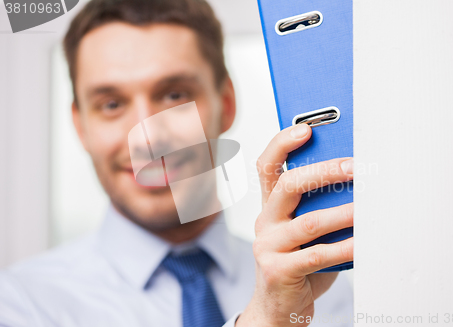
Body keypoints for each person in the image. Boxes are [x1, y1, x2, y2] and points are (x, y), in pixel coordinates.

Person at [0, 0, 354, 326]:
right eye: (111, 104)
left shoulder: (328, 296)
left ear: (226, 103)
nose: (146, 138)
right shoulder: (22, 304)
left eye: (175, 95)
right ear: (81, 126)